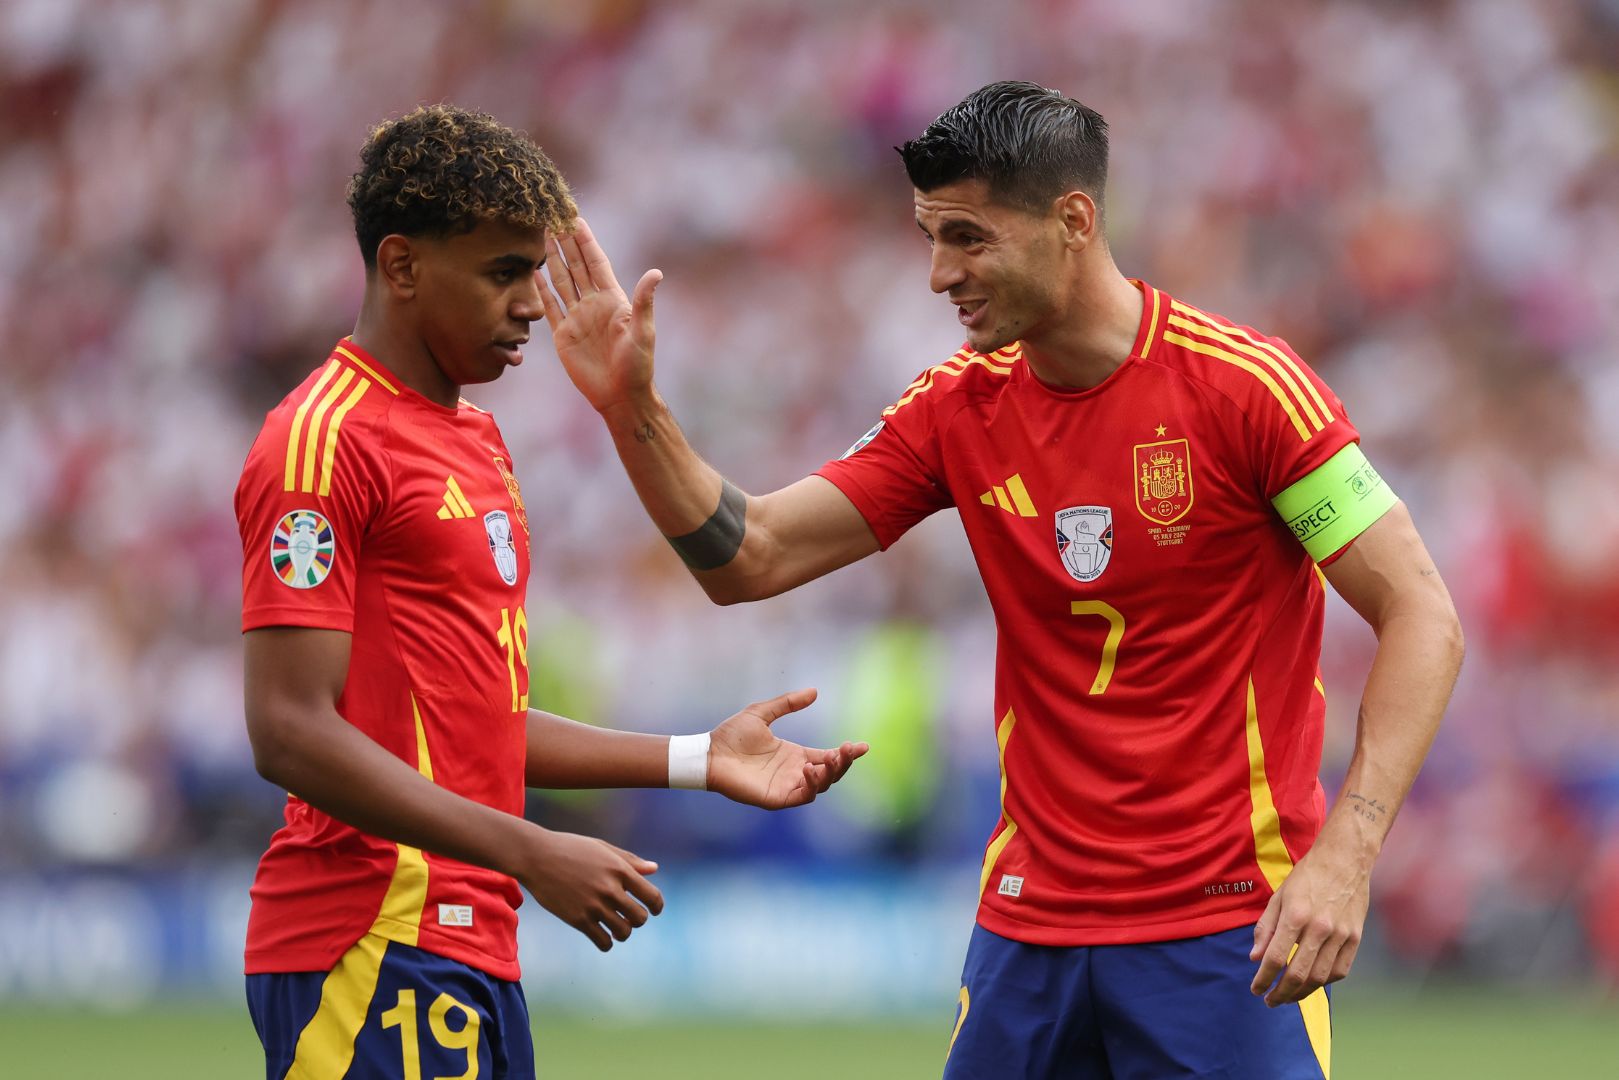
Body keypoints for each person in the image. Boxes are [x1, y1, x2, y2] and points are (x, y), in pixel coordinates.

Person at [539, 81, 1465, 1078]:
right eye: (929, 237)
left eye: (968, 238)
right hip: (1028, 931)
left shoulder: (1245, 389)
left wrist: (1347, 855)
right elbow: (750, 556)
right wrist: (632, 412)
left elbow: (1420, 614)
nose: (938, 274)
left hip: (1224, 931)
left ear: (1073, 221)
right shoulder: (954, 407)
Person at [234, 104, 867, 1080]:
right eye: (500, 273)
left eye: (533, 272)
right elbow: (286, 729)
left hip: (465, 943)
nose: (532, 303)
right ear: (401, 267)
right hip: (366, 938)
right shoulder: (322, 442)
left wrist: (698, 758)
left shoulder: (473, 439)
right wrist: (530, 847)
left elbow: (470, 722)